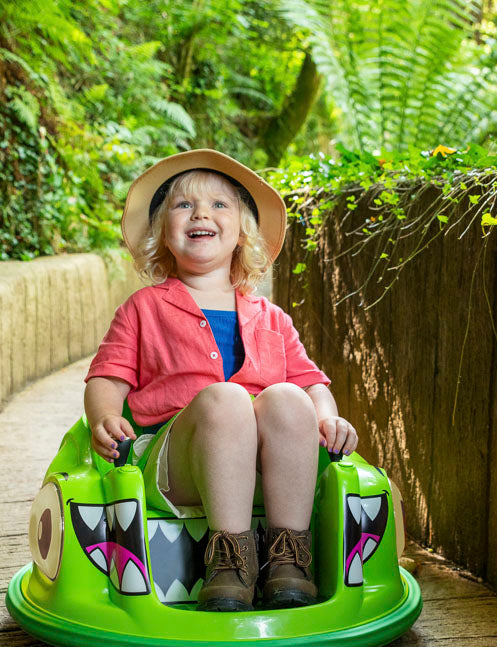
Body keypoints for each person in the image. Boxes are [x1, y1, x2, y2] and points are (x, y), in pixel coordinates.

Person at [84, 149, 357, 612]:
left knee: (289, 397)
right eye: (184, 205)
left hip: (265, 472)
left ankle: (289, 557)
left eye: (218, 205)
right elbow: (106, 377)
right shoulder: (143, 309)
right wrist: (105, 416)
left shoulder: (271, 317)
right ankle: (229, 560)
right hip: (180, 465)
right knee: (227, 400)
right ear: (163, 235)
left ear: (241, 236)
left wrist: (328, 418)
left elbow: (312, 384)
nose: (201, 213)